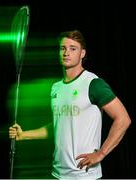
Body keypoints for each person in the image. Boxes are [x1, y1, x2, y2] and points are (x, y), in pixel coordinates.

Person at [9, 29, 131, 179]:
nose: (66, 53)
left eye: (73, 49)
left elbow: (123, 119)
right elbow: (58, 126)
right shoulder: (56, 87)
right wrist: (23, 135)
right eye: (63, 48)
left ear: (82, 53)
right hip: (58, 173)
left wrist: (101, 153)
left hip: (84, 175)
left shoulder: (93, 83)